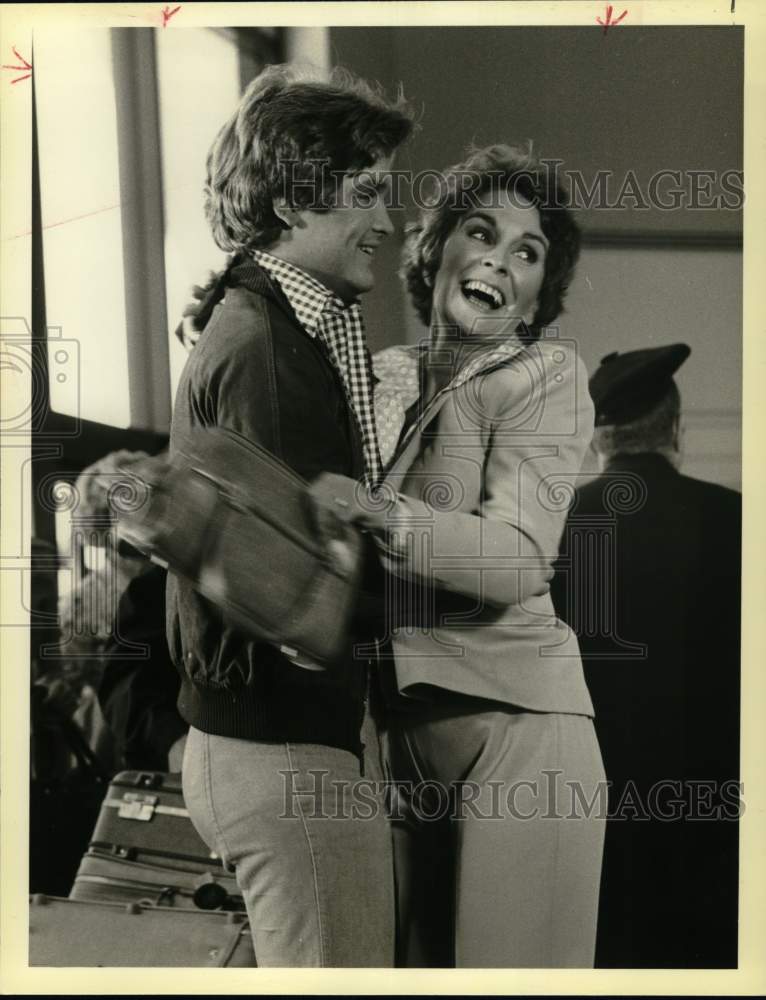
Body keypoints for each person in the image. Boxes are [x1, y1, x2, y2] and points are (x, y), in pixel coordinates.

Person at [310, 145, 604, 967]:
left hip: (520, 736)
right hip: (395, 744)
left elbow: (517, 561)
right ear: (436, 249)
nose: (500, 262)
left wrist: (377, 511)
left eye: (529, 252)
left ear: (540, 294)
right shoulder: (381, 376)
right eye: (482, 233)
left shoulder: (544, 375)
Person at [167, 64, 414, 967]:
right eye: (367, 196)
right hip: (285, 755)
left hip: (260, 747)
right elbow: (305, 596)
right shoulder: (270, 354)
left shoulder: (255, 323)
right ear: (292, 200)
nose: (386, 224)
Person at [551, 344, 741, 968]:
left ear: (596, 440)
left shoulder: (551, 531)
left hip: (593, 818)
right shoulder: (740, 521)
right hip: (721, 823)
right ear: (677, 431)